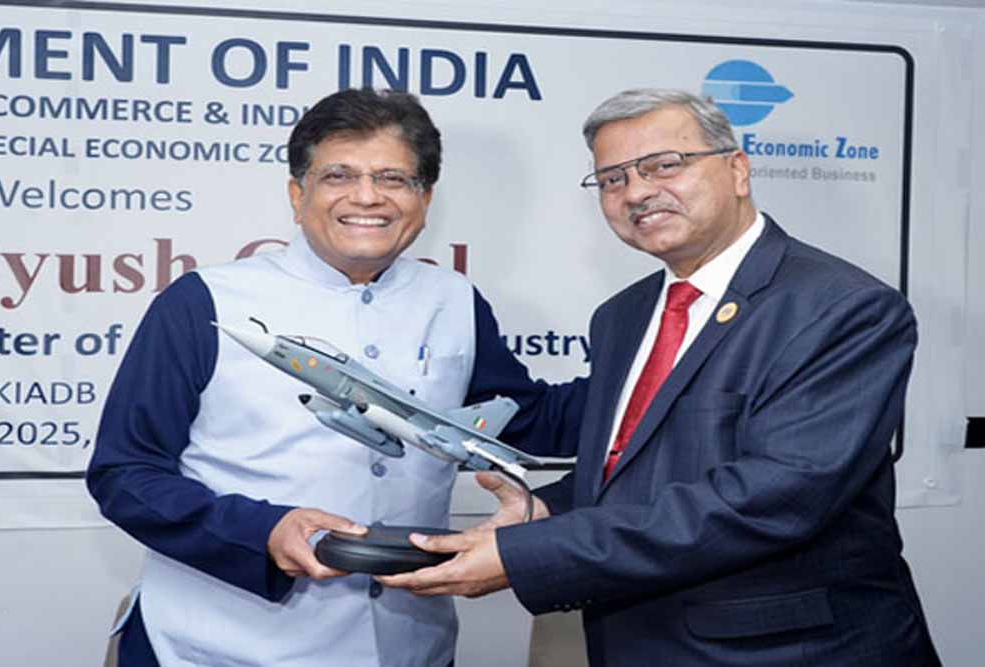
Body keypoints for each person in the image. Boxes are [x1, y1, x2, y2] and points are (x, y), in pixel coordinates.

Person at [381, 89, 941, 666]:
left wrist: (528, 554)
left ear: (737, 169)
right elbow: (641, 469)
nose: (637, 192)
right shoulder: (623, 316)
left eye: (664, 165)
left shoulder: (841, 308)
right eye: (613, 179)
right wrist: (545, 510)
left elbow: (774, 498)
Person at [87, 88, 583, 667]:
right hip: (220, 647)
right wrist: (264, 530)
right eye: (338, 176)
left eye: (393, 178)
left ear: (424, 198)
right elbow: (126, 474)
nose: (366, 196)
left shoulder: (454, 299)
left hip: (409, 646)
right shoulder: (205, 302)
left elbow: (523, 420)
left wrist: (656, 379)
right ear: (298, 194)